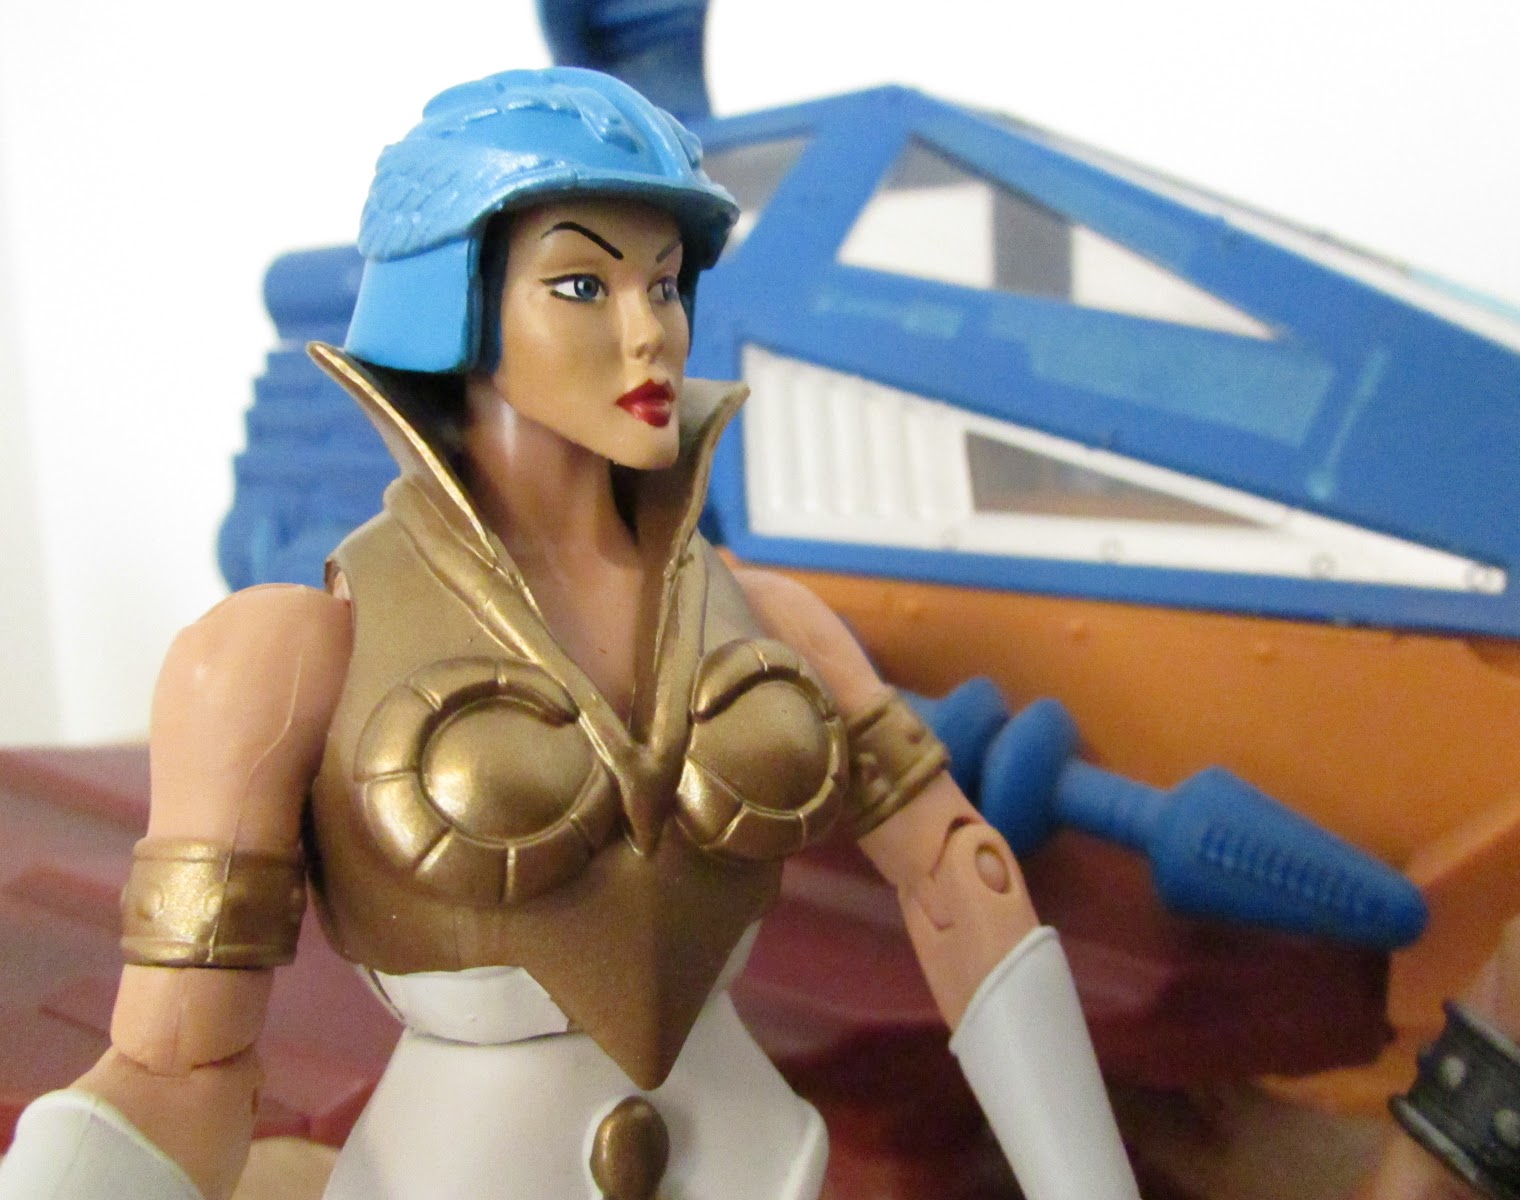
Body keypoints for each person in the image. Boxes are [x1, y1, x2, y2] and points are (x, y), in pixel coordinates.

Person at [0, 68, 1136, 1200]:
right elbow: (176, 1066)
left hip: (756, 1166)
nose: (650, 334)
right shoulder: (286, 656)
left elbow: (959, 880)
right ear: (455, 306)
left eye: (665, 284)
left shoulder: (771, 619)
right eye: (583, 285)